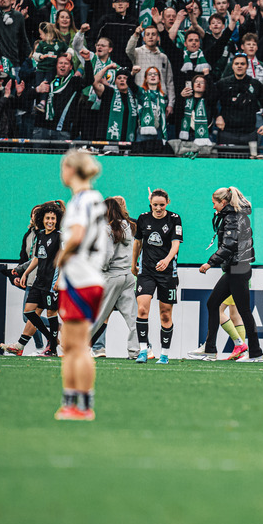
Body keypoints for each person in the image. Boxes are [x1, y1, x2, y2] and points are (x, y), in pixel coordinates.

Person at [54, 150, 110, 421]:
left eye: (63, 167)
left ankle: (77, 406)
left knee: (75, 346)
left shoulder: (79, 201)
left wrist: (60, 258)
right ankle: (79, 404)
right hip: (91, 277)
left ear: (71, 169)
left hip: (79, 278)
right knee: (74, 344)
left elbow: (76, 235)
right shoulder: (96, 199)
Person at [195, 186, 263, 362]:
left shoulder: (232, 218)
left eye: (214, 203)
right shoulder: (233, 216)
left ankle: (256, 352)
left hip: (237, 268)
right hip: (236, 267)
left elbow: (229, 245)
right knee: (213, 304)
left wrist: (210, 262)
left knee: (243, 311)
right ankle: (210, 349)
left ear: (223, 202)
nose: (213, 207)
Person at [1, 202, 63, 358]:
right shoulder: (40, 235)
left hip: (51, 282)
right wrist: (24, 273)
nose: (50, 221)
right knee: (28, 311)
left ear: (57, 220)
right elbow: (37, 257)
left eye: (53, 218)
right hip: (38, 281)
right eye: (48, 218)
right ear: (43, 219)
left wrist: (59, 279)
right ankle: (51, 339)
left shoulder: (60, 236)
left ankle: (52, 348)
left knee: (51, 314)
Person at [132, 188, 182, 365]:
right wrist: (133, 264)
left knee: (165, 314)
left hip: (167, 273)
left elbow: (175, 245)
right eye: (155, 205)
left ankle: (165, 354)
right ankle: (143, 351)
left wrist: (167, 260)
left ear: (167, 203)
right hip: (146, 272)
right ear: (150, 204)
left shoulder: (174, 219)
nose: (158, 208)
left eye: (162, 205)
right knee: (142, 310)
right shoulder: (143, 218)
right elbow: (138, 242)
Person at [90, 197, 139, 361]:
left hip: (112, 275)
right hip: (127, 276)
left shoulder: (106, 229)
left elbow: (107, 254)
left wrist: (100, 268)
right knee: (132, 317)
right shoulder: (127, 225)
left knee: (97, 315)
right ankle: (135, 351)